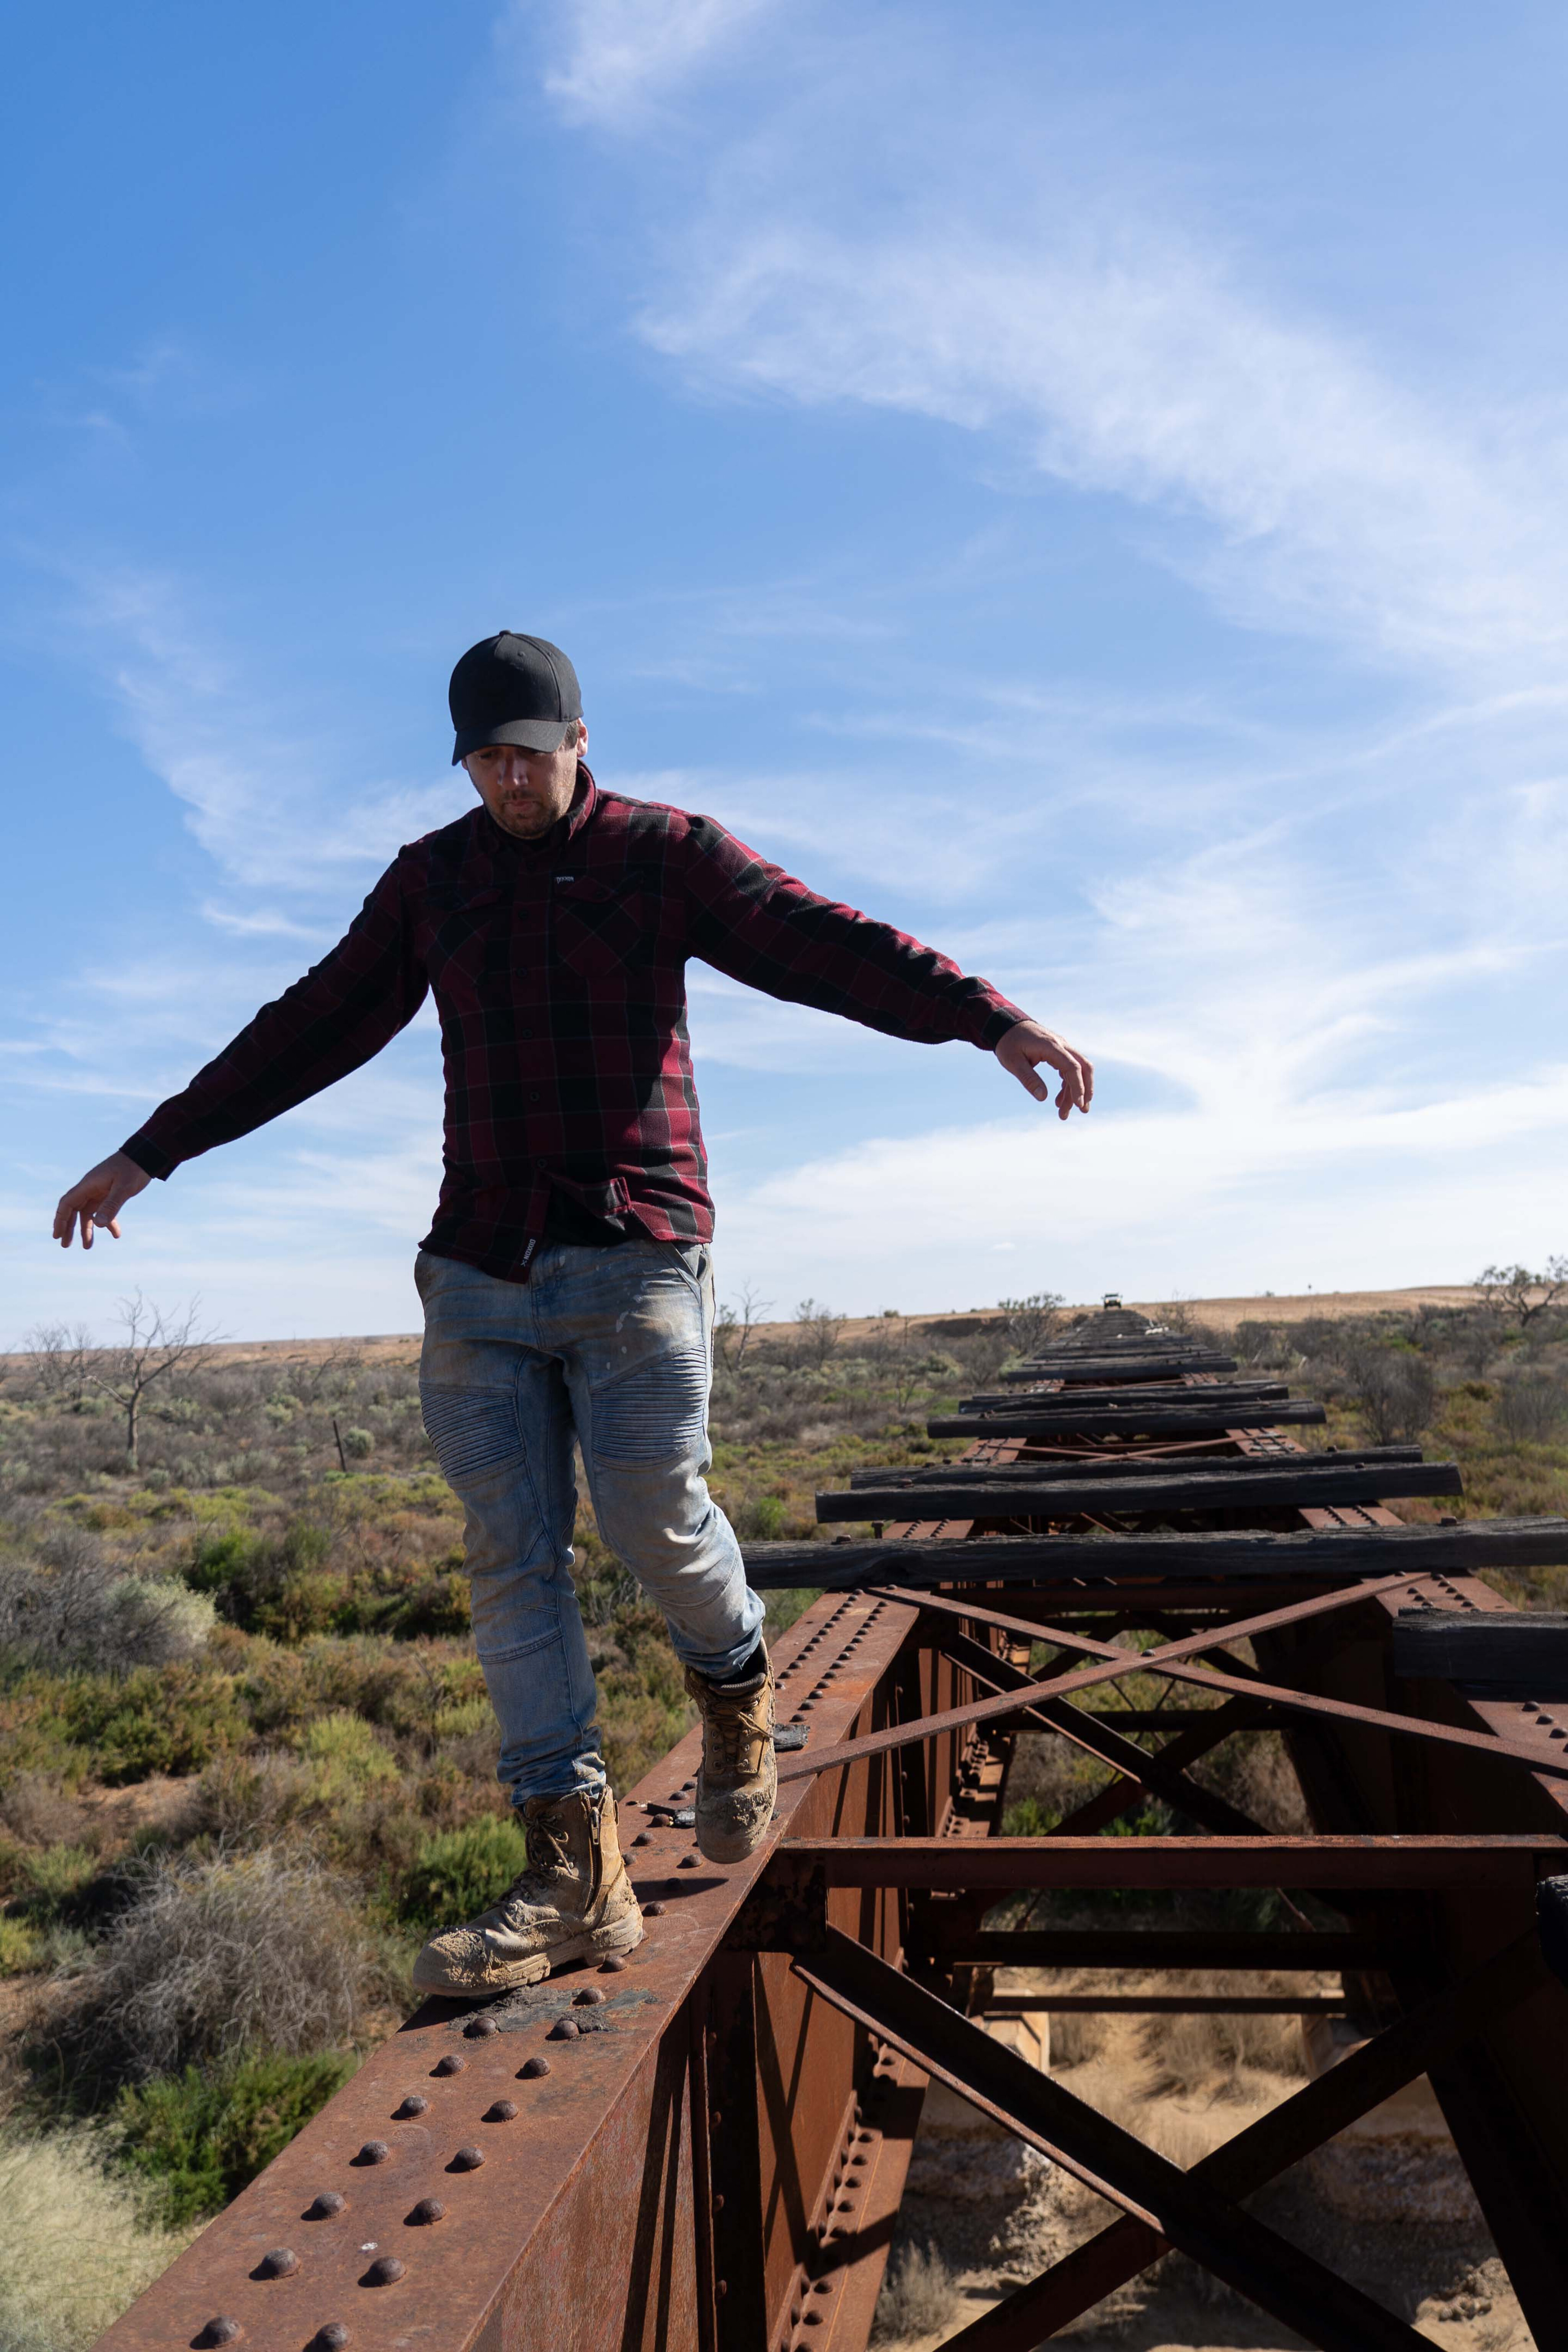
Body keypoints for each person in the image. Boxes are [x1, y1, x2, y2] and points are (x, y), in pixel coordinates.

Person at [53, 631, 1093, 1995]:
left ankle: (734, 1697)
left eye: (527, 756)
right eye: (484, 759)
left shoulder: (667, 855)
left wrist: (987, 1019)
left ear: (580, 740)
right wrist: (154, 1148)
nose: (506, 781)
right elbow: (313, 1023)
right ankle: (573, 1875)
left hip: (635, 1248)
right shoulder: (432, 883)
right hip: (478, 1266)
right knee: (509, 1558)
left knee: (657, 1509)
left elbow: (819, 944)